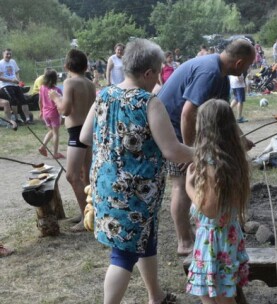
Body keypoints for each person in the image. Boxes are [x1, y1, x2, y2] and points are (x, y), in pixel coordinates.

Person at [80, 38, 193, 304]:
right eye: (158, 72)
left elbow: (85, 136)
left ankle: (156, 296)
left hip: (106, 184)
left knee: (145, 240)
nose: (159, 79)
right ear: (148, 73)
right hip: (134, 194)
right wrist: (205, 152)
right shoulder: (148, 102)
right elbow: (172, 150)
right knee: (123, 255)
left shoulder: (104, 95)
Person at [158, 39, 255, 256]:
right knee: (181, 184)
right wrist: (189, 153)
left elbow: (224, 115)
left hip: (184, 126)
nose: (247, 70)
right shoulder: (210, 73)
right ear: (239, 63)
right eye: (248, 66)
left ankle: (195, 231)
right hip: (171, 128)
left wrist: (241, 138)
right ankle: (184, 241)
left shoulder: (222, 76)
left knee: (195, 178)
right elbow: (186, 114)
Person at [185, 98, 250, 304]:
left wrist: (189, 186)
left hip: (214, 242)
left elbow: (210, 210)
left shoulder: (213, 165)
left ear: (205, 128)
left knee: (215, 296)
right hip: (225, 236)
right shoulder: (233, 157)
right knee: (218, 294)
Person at [49, 49, 96, 232]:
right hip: (89, 130)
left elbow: (66, 110)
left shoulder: (69, 82)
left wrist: (55, 98)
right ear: (85, 66)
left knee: (72, 176)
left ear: (66, 66)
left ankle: (87, 217)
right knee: (86, 176)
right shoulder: (90, 83)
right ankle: (88, 210)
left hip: (77, 133)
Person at [0, 48, 33, 125]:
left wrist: (18, 80)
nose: (9, 55)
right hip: (5, 85)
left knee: (23, 100)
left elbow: (17, 72)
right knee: (13, 100)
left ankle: (28, 119)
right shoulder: (0, 63)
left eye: (10, 54)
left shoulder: (13, 61)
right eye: (7, 54)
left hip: (15, 84)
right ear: (3, 54)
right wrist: (11, 81)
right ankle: (16, 118)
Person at [38, 69, 64, 159]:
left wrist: (41, 111)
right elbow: (60, 104)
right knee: (56, 133)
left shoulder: (42, 88)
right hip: (54, 114)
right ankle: (55, 153)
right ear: (55, 79)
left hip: (45, 113)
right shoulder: (57, 90)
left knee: (51, 131)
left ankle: (42, 147)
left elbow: (40, 101)